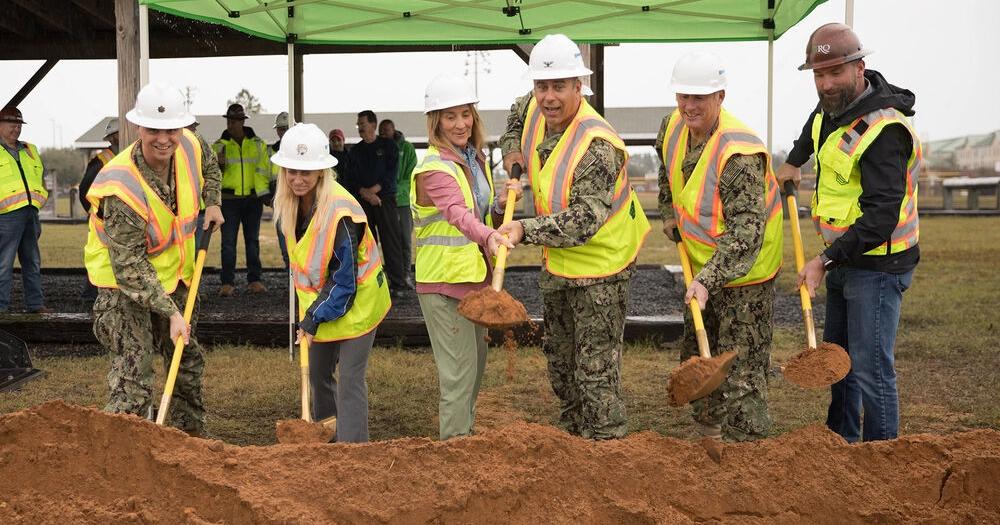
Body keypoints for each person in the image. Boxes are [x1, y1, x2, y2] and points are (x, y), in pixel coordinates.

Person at [497, 34, 651, 440]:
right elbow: (514, 120)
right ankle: (572, 446)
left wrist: (523, 229)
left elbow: (584, 220)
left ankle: (605, 450)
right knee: (562, 367)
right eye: (542, 86)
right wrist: (511, 153)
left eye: (559, 87)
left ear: (579, 87)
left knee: (595, 373)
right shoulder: (531, 107)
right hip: (559, 264)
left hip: (604, 264)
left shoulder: (597, 145)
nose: (548, 97)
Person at [776, 23, 920, 443]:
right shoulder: (831, 108)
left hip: (879, 264)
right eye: (819, 75)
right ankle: (841, 446)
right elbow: (816, 122)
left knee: (870, 368)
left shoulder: (883, 132)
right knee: (838, 362)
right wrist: (794, 159)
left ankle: (881, 461)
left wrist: (822, 262)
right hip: (842, 257)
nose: (826, 84)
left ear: (860, 68)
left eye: (835, 73)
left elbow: (880, 219)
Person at [656, 51, 784, 442]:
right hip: (702, 265)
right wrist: (668, 214)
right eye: (684, 96)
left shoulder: (739, 153)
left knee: (740, 371)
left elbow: (746, 234)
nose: (689, 106)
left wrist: (708, 279)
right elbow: (666, 170)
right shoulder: (671, 127)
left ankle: (748, 452)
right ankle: (710, 436)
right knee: (700, 359)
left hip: (747, 273)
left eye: (700, 98)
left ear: (720, 97)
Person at [83, 83, 224, 434]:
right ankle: (125, 453)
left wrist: (214, 200)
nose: (164, 139)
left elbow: (210, 164)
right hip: (122, 286)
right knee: (134, 376)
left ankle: (190, 442)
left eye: (171, 130)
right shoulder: (120, 186)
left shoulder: (190, 145)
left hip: (175, 275)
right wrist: (172, 313)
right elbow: (129, 266)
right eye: (154, 131)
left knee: (186, 361)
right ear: (138, 129)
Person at [411, 74, 520, 440]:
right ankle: (454, 455)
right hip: (443, 286)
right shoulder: (433, 169)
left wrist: (499, 207)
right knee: (458, 374)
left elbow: (479, 211)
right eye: (450, 116)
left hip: (474, 282)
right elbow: (458, 215)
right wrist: (490, 236)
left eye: (465, 114)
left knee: (473, 373)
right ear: (435, 122)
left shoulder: (474, 161)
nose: (460, 124)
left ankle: (465, 443)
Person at [271, 123, 391, 443]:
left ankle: (353, 452)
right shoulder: (289, 205)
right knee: (319, 375)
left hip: (359, 302)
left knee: (350, 378)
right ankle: (326, 438)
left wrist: (311, 319)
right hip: (321, 304)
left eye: (306, 172)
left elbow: (344, 282)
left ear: (322, 172)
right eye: (292, 171)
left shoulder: (340, 212)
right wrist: (310, 314)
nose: (298, 179)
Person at [213, 103, 271, 296]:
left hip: (253, 200)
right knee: (228, 243)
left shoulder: (258, 144)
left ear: (242, 122)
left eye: (235, 121)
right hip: (229, 200)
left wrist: (265, 195)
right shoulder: (218, 146)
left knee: (252, 241)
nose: (231, 124)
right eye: (229, 121)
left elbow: (264, 172)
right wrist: (220, 165)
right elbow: (212, 175)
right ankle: (227, 283)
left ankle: (254, 280)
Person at [350, 110, 410, 297]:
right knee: (364, 242)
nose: (360, 127)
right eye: (358, 124)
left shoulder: (388, 146)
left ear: (373, 125)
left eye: (363, 124)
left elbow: (391, 175)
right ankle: (367, 281)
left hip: (385, 199)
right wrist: (366, 194)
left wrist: (374, 192)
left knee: (391, 240)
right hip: (362, 202)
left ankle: (398, 283)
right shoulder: (355, 151)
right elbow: (350, 179)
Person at [0, 106, 48, 314]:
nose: (16, 128)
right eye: (11, 124)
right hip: (6, 215)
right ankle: (1, 307)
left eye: (19, 124)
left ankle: (35, 305)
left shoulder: (30, 149)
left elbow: (40, 179)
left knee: (32, 261)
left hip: (30, 213)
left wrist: (40, 199)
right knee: (3, 263)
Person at [379, 119, 418, 287]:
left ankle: (406, 274)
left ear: (393, 130)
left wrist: (397, 190)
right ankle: (394, 276)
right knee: (388, 240)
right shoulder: (379, 149)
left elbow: (411, 174)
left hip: (402, 201)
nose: (383, 134)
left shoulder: (407, 148)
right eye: (381, 131)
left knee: (404, 239)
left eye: (386, 130)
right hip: (384, 201)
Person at [270, 111, 291, 269]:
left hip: (300, 202)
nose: (283, 132)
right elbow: (263, 176)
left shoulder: (301, 148)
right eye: (281, 129)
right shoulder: (270, 151)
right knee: (285, 247)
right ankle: (291, 284)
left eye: (286, 128)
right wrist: (267, 197)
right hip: (280, 203)